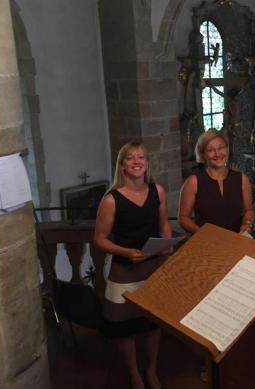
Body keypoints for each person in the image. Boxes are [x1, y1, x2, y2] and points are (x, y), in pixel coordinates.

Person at [93, 142, 173, 389]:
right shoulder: (111, 199)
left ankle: (150, 371)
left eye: (141, 157)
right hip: (124, 270)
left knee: (152, 325)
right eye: (130, 158)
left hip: (153, 266)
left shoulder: (157, 190)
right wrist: (126, 252)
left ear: (147, 163)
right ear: (123, 165)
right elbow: (99, 240)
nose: (137, 161)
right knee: (125, 326)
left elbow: (163, 223)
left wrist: (168, 244)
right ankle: (133, 374)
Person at [178, 128, 255, 235]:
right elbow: (183, 218)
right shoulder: (193, 182)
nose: (217, 154)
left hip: (237, 240)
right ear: (203, 154)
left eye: (221, 148)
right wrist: (202, 234)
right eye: (210, 150)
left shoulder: (242, 179)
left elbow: (248, 211)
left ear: (227, 149)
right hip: (205, 242)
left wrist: (247, 225)